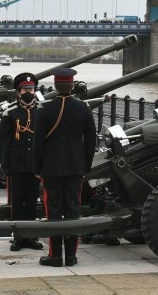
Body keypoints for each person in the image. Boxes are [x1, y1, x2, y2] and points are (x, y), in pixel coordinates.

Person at [33, 67, 96, 267]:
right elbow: (91, 142)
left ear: (55, 85)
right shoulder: (83, 108)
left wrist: (37, 168)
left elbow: (38, 143)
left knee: (53, 210)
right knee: (72, 209)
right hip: (76, 167)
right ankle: (71, 256)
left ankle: (55, 256)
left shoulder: (45, 109)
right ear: (72, 85)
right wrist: (85, 166)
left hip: (51, 167)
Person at [0, 71, 43, 251]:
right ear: (18, 91)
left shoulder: (41, 111)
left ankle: (31, 236)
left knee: (32, 201)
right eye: (25, 89)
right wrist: (5, 164)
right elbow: (4, 142)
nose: (28, 92)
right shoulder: (10, 113)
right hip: (17, 163)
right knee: (17, 202)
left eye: (31, 89)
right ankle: (17, 236)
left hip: (34, 164)